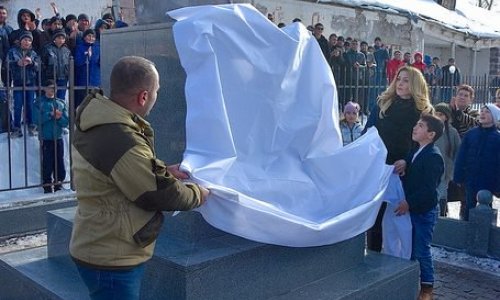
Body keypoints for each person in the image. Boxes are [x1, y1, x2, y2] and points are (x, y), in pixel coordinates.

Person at [70, 56, 210, 299]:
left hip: (98, 242)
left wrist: (165, 170)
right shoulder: (120, 137)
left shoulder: (101, 119)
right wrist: (199, 194)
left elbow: (120, 171)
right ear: (143, 96)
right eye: (156, 91)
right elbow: (158, 194)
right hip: (112, 255)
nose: (156, 97)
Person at [364, 65, 434, 252]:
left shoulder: (423, 111)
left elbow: (426, 145)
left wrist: (407, 161)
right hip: (380, 167)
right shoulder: (383, 104)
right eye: (398, 79)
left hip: (404, 171)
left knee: (399, 220)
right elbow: (368, 135)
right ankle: (373, 256)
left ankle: (400, 261)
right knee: (375, 218)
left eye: (405, 80)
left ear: (415, 85)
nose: (400, 83)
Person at [395, 114, 444, 300]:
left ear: (430, 134)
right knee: (410, 248)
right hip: (413, 210)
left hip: (424, 212)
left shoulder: (433, 157)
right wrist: (404, 164)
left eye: (420, 125)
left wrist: (409, 203)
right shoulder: (415, 150)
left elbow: (428, 190)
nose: (415, 127)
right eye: (416, 123)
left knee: (421, 250)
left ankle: (427, 288)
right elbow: (410, 171)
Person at [453, 104, 500, 221]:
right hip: (471, 178)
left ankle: (486, 232)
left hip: (489, 180)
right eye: (482, 111)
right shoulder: (471, 134)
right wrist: (458, 176)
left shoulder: (497, 137)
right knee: (469, 205)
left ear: (494, 117)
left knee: (486, 206)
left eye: (487, 112)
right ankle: (466, 232)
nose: (483, 113)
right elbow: (461, 156)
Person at [33, 79, 68, 193]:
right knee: (47, 162)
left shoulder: (61, 103)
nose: (52, 90)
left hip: (58, 137)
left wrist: (59, 117)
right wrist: (49, 115)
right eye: (50, 87)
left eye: (54, 88)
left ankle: (59, 184)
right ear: (44, 89)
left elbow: (66, 121)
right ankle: (47, 186)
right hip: (46, 138)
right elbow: (36, 119)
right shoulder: (38, 102)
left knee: (59, 162)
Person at [8, 31, 39, 137]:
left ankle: (31, 125)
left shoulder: (33, 53)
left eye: (29, 40)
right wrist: (17, 63)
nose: (27, 42)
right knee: (17, 105)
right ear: (20, 41)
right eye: (25, 39)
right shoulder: (13, 51)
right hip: (18, 82)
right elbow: (7, 64)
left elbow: (39, 67)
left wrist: (32, 63)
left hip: (30, 82)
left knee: (30, 104)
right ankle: (16, 128)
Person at [433, 103, 461, 216]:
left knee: (442, 195)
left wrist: (453, 171)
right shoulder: (429, 129)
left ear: (446, 117)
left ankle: (441, 218)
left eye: (441, 114)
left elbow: (458, 151)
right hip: (430, 169)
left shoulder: (452, 132)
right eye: (436, 113)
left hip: (445, 171)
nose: (438, 116)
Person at [40, 29, 71, 100]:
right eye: (59, 38)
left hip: (63, 78)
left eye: (63, 38)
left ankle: (60, 111)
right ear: (54, 38)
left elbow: (69, 64)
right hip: (51, 78)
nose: (61, 40)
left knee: (61, 99)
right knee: (51, 98)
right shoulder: (47, 49)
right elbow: (42, 63)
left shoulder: (67, 50)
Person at [74, 29, 100, 109]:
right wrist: (86, 56)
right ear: (84, 37)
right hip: (82, 80)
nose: (91, 38)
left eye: (93, 36)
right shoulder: (79, 47)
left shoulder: (98, 47)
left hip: (95, 80)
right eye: (89, 36)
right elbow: (77, 62)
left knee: (95, 103)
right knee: (82, 103)